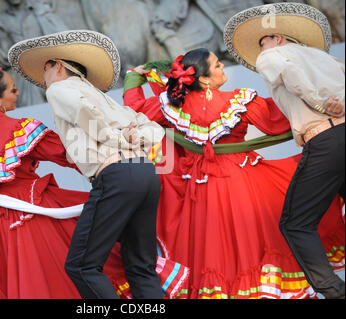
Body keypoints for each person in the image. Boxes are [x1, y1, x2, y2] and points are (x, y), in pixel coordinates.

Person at [0, 68, 188, 299]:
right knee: (82, 266)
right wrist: (117, 151)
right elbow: (68, 154)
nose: (18, 92)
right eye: (12, 89)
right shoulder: (22, 129)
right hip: (33, 216)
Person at [122, 47, 345, 299]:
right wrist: (322, 107)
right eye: (217, 65)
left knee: (214, 251)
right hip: (242, 180)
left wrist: (133, 78)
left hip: (201, 187)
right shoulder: (238, 100)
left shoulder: (170, 106)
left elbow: (136, 107)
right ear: (204, 79)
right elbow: (278, 120)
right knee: (259, 240)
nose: (222, 67)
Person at [9, 30, 167, 299]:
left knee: (82, 265)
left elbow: (87, 116)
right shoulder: (102, 97)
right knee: (141, 267)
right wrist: (133, 138)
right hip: (145, 173)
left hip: (117, 175)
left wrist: (118, 139)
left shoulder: (59, 89)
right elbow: (155, 131)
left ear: (57, 66)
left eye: (45, 69)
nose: (43, 79)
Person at [224, 2, 345, 299]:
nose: (259, 50)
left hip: (325, 139)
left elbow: (292, 75)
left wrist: (319, 103)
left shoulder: (273, 55)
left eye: (262, 41)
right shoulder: (322, 57)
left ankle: (333, 291)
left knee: (295, 223)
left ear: (277, 38)